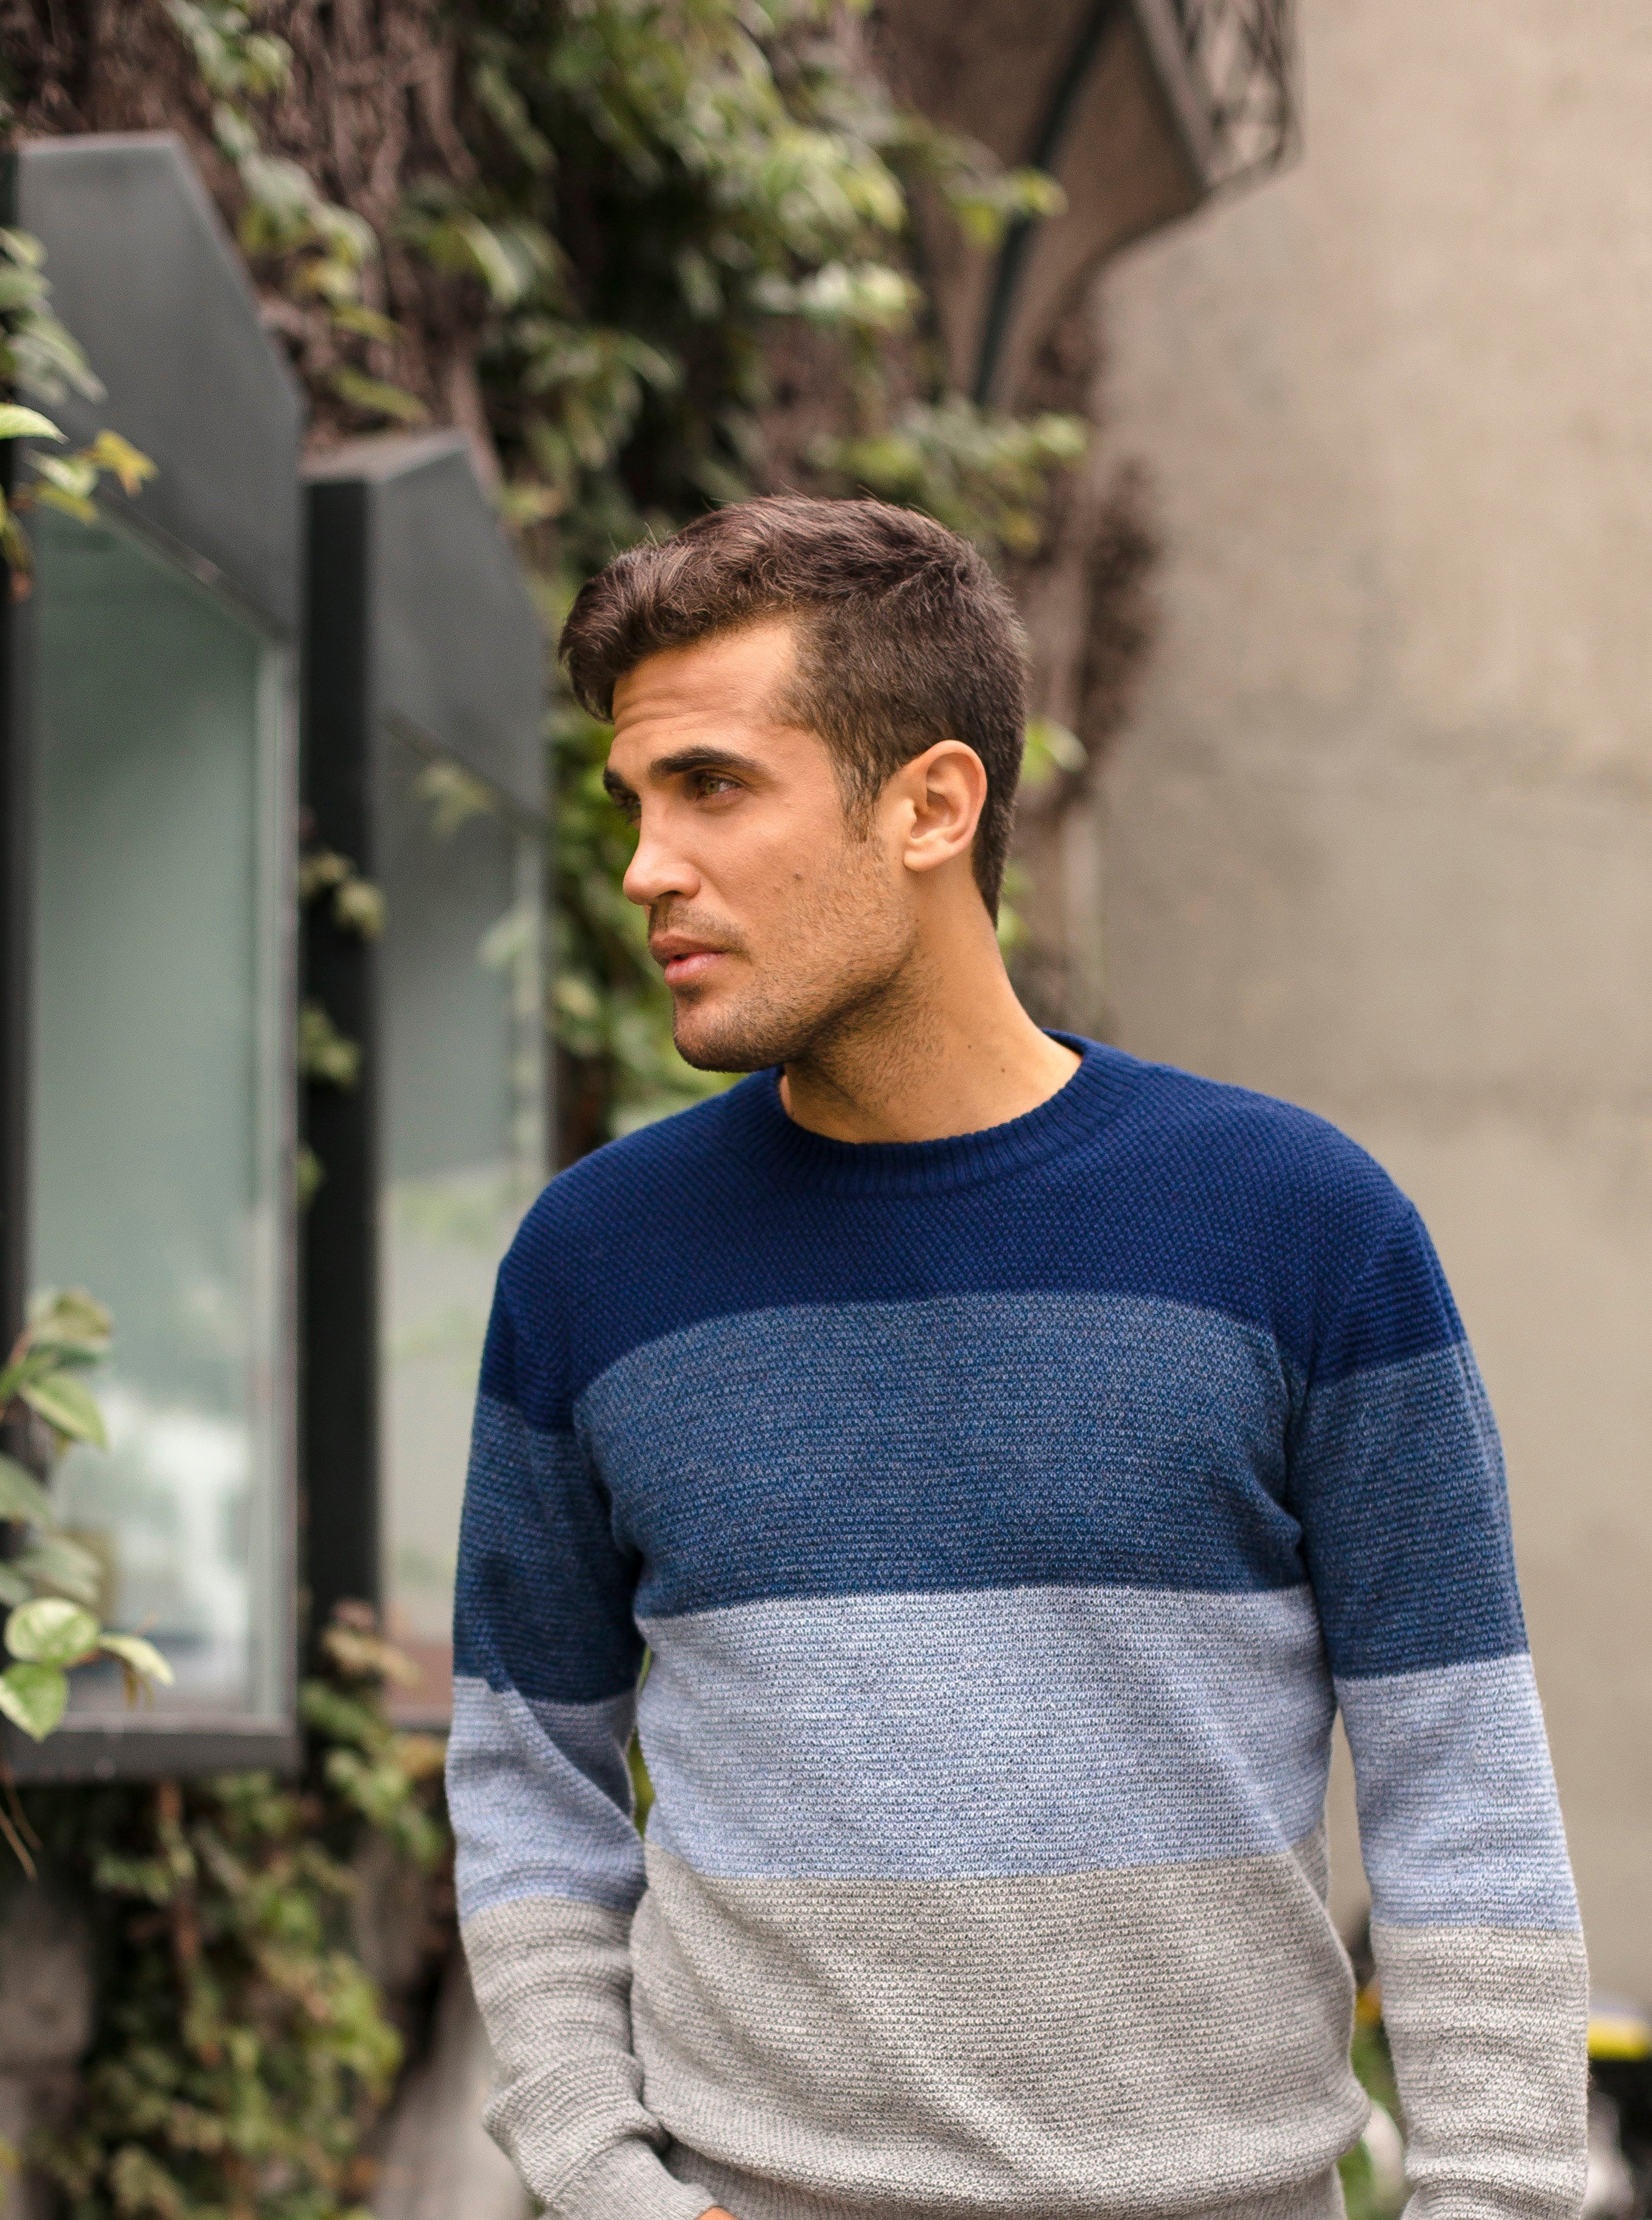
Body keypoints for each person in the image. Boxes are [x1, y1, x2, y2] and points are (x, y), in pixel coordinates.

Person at [444, 495, 1586, 2220]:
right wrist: (608, 2181)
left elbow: (1462, 1781)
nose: (647, 867)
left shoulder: (1299, 1226)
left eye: (714, 787)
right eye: (637, 800)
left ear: (933, 804)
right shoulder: (593, 1266)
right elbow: (526, 1773)